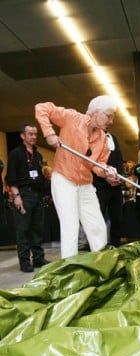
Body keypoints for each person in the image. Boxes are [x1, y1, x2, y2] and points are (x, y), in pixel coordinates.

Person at [35, 95, 119, 259]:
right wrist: (49, 133)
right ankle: (69, 267)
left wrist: (107, 172)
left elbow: (97, 165)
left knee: (97, 226)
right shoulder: (72, 118)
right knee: (70, 225)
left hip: (85, 184)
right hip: (64, 179)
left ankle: (101, 263)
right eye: (109, 116)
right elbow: (41, 108)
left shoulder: (103, 139)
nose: (111, 121)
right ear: (95, 113)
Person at [6, 124, 49, 272]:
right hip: (23, 194)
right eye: (30, 134)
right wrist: (16, 196)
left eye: (35, 134)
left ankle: (38, 258)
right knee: (23, 230)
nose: (34, 137)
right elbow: (10, 178)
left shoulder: (38, 155)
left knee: (37, 228)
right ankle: (24, 262)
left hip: (37, 194)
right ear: (22, 136)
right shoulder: (16, 154)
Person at [93, 131, 124, 247]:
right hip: (100, 184)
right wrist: (106, 177)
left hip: (115, 185)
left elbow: (119, 159)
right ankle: (98, 245)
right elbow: (92, 161)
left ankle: (116, 244)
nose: (109, 121)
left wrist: (118, 176)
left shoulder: (113, 137)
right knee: (99, 216)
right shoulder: (93, 136)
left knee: (117, 217)